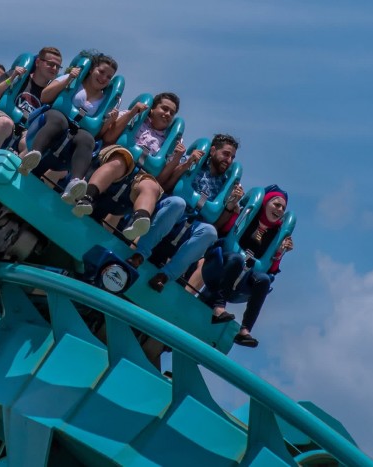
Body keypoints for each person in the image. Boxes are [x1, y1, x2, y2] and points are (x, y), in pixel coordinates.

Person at [127, 134, 244, 300]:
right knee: (178, 203)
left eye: (232, 157)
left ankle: (165, 276)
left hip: (193, 224)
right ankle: (139, 255)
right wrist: (187, 164)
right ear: (212, 151)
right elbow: (167, 184)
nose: (229, 160)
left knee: (210, 231)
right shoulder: (195, 162)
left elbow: (216, 223)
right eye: (226, 154)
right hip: (171, 210)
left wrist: (231, 204)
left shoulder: (225, 184)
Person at [72, 92, 184, 240]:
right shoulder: (134, 116)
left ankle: (140, 220)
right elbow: (109, 137)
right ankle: (87, 197)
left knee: (152, 185)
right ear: (152, 109)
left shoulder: (171, 142)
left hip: (141, 175)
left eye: (172, 113)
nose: (168, 114)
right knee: (121, 161)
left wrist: (177, 158)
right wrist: (132, 113)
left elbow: (161, 179)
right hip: (120, 158)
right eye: (164, 108)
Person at [200, 185, 294, 347]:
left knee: (264, 280)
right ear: (265, 202)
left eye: (283, 208)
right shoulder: (248, 214)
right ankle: (218, 308)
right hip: (222, 263)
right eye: (276, 204)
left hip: (246, 275)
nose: (279, 210)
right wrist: (234, 209)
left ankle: (244, 331)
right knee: (236, 259)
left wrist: (280, 252)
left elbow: (271, 269)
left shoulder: (278, 233)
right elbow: (227, 231)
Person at [25, 51, 120, 203]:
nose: (103, 78)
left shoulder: (105, 101)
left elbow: (98, 133)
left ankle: (74, 183)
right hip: (52, 122)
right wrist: (68, 79)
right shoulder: (73, 80)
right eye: (101, 72)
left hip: (75, 137)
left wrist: (109, 121)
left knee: (88, 139)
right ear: (91, 69)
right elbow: (45, 96)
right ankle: (34, 154)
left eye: (109, 77)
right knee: (59, 120)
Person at [0, 47, 63, 184]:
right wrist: (11, 79)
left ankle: (7, 177)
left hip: (24, 130)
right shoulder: (17, 76)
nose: (54, 69)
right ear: (38, 62)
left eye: (58, 66)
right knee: (5, 123)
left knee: (34, 143)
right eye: (50, 64)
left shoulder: (50, 93)